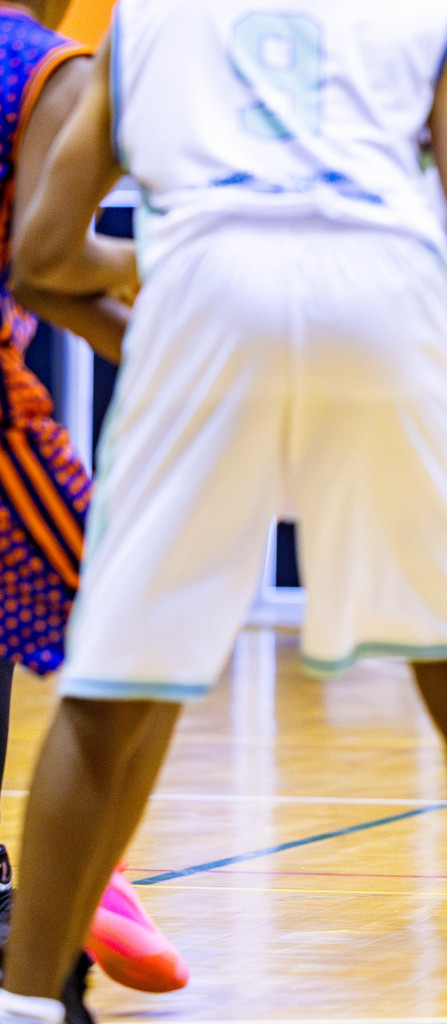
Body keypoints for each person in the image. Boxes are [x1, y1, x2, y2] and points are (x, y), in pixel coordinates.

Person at [0, 2, 447, 1023]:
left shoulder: (144, 23)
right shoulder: (443, 19)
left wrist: (165, 302)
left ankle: (26, 1007)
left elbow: (43, 254)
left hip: (203, 297)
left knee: (108, 691)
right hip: (387, 296)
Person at [0, 0, 186, 1016]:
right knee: (149, 640)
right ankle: (60, 935)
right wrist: (176, 268)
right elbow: (46, 258)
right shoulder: (53, 69)